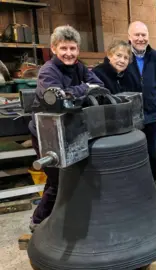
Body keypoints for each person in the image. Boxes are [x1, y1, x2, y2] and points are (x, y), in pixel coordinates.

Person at [28, 25, 104, 232]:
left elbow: (98, 84)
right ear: (54, 48)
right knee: (57, 183)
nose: (68, 53)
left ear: (78, 50)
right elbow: (58, 99)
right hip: (47, 135)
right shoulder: (47, 72)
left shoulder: (79, 68)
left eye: (72, 48)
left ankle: (58, 217)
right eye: (64, 48)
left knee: (66, 180)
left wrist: (76, 91)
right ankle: (38, 221)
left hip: (68, 130)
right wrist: (83, 89)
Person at [125, 21, 156, 182]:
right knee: (131, 153)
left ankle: (151, 186)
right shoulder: (123, 55)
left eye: (144, 35)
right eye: (137, 35)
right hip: (128, 116)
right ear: (129, 37)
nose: (140, 38)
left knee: (151, 152)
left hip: (152, 113)